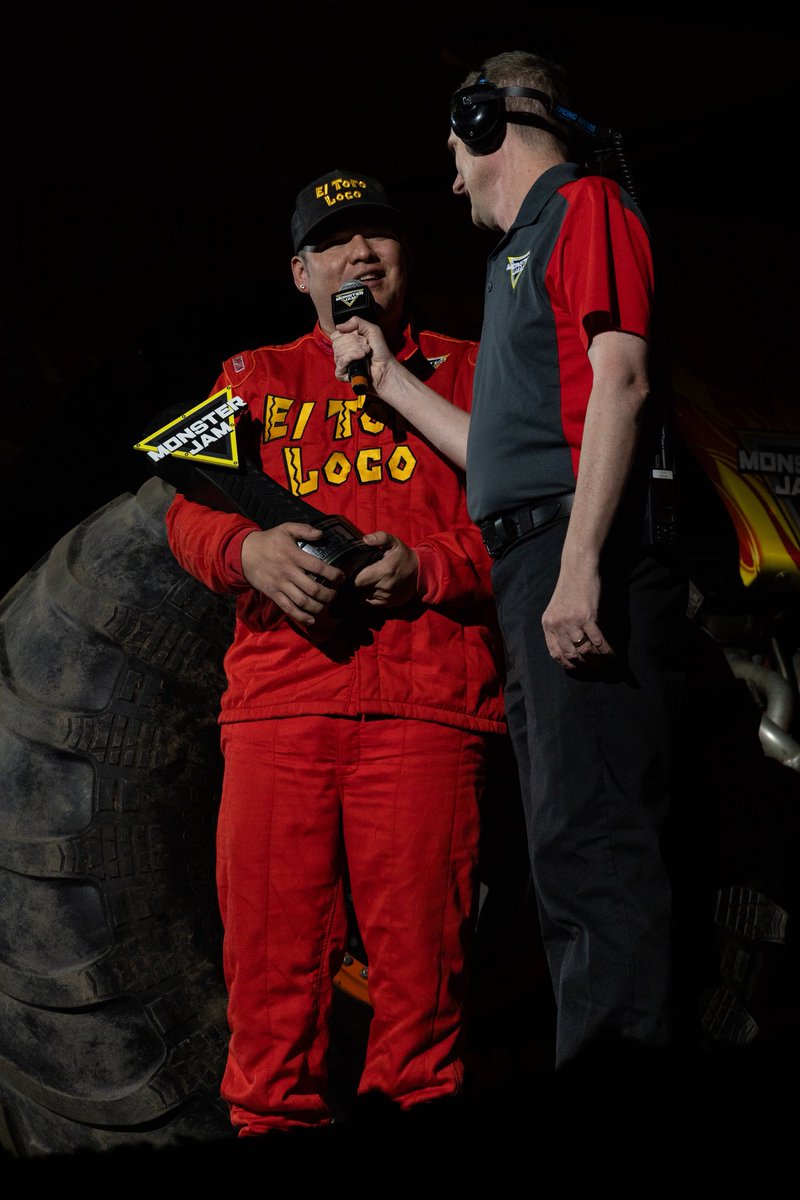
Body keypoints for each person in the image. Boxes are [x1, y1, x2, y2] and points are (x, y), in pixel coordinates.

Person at [332, 53, 689, 1070]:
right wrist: (389, 378)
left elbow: (618, 382)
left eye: (453, 152)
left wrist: (579, 567)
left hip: (580, 544)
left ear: (487, 122)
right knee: (566, 848)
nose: (450, 182)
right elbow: (494, 443)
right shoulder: (514, 256)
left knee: (595, 845)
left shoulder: (584, 207)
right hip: (536, 549)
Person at [164, 168, 507, 1134]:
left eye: (380, 237)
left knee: (422, 1015)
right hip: (282, 715)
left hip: (426, 714)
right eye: (337, 241)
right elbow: (185, 511)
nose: (362, 254)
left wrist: (429, 568)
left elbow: (528, 521)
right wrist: (249, 551)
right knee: (270, 1004)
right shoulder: (253, 378)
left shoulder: (471, 371)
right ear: (302, 271)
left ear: (405, 261)